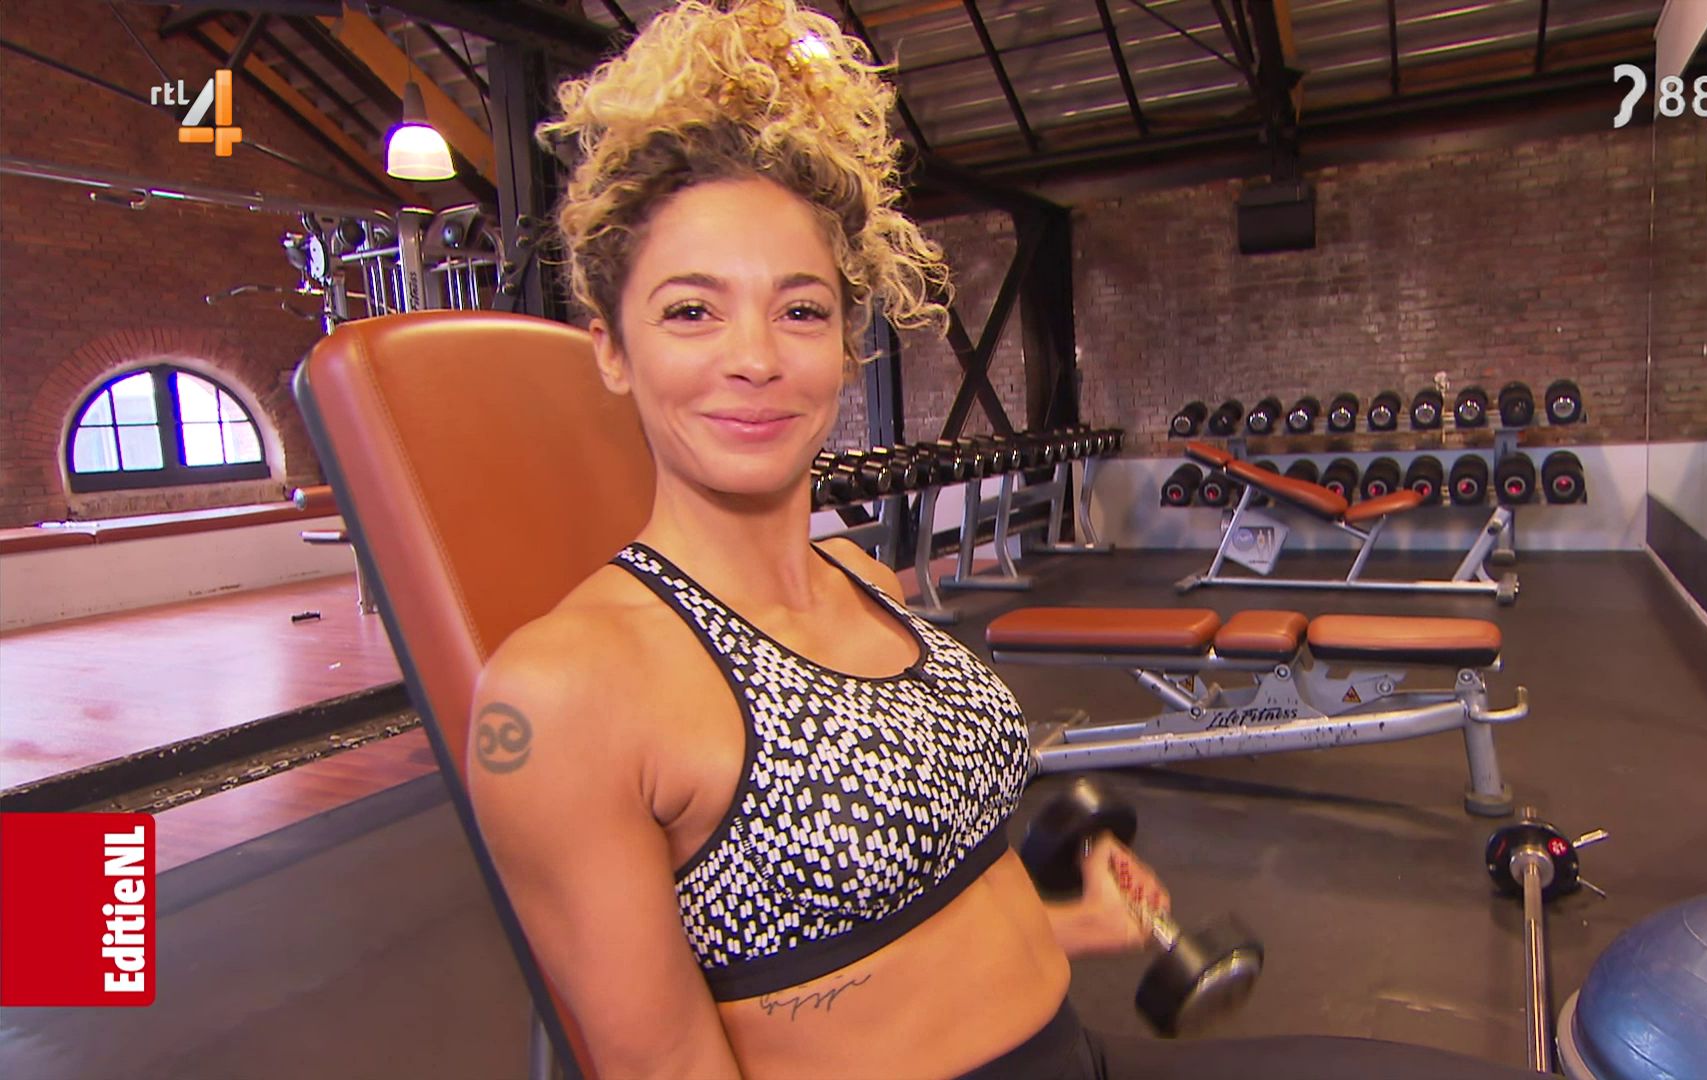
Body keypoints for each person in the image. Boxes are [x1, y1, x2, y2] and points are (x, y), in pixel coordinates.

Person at [467, 2, 1537, 1077]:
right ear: (610, 348)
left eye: (800, 311)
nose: (756, 357)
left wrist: (1063, 919)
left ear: (846, 344)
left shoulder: (862, 578)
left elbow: (887, 918)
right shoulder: (562, 693)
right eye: (691, 311)